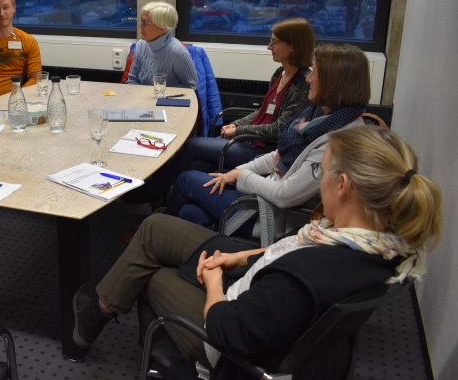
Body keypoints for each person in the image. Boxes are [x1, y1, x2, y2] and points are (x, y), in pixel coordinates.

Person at [73, 126, 442, 380]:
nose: (319, 179)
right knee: (154, 229)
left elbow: (225, 330)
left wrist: (215, 282)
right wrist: (239, 259)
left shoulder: (307, 276)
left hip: (229, 338)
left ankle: (147, 352)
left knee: (150, 275)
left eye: (321, 170)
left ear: (343, 185)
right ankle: (99, 314)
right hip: (259, 280)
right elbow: (294, 247)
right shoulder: (379, 242)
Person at [166, 43, 370, 234]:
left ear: (334, 83)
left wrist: (241, 176)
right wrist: (238, 171)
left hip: (269, 216)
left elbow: (285, 195)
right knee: (189, 213)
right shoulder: (319, 116)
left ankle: (156, 227)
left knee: (187, 180)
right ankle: (174, 245)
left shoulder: (337, 142)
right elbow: (279, 154)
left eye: (315, 74)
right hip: (265, 194)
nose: (309, 79)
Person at [122, 17, 314, 206]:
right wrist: (237, 124)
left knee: (191, 145)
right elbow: (262, 112)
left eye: (274, 42)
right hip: (249, 138)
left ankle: (151, 190)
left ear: (293, 47)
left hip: (262, 150)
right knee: (195, 167)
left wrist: (238, 131)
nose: (268, 46)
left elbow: (280, 129)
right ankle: (180, 212)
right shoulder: (279, 73)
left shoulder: (303, 84)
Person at [125, 2, 197, 89]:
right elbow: (132, 79)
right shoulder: (140, 45)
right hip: (142, 98)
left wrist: (160, 93)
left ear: (162, 28)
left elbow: (191, 86)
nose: (140, 26)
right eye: (141, 21)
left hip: (167, 100)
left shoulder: (178, 52)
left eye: (145, 23)